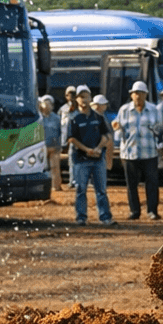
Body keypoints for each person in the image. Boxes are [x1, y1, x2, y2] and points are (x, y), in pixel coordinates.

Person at [115, 80, 163, 220]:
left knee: (152, 183)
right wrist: (119, 134)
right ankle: (134, 211)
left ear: (145, 95)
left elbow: (159, 130)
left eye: (141, 93)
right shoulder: (124, 110)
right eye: (135, 93)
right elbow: (118, 131)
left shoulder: (154, 110)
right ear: (131, 95)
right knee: (132, 185)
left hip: (149, 153)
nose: (138, 96)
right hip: (130, 153)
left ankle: (152, 211)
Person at [66, 89, 114, 225]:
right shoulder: (74, 119)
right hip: (81, 160)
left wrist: (98, 148)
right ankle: (81, 218)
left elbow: (107, 135)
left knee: (101, 190)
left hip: (98, 160)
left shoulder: (98, 117)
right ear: (77, 100)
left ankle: (105, 218)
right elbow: (71, 139)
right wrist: (87, 150)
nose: (84, 100)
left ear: (90, 99)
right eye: (81, 97)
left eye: (86, 97)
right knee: (81, 190)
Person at [39, 94, 63, 192]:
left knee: (55, 167)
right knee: (42, 168)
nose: (47, 106)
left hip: (54, 147)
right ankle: (42, 187)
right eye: (45, 103)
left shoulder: (57, 118)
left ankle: (56, 186)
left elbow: (61, 132)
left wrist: (61, 145)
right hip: (41, 148)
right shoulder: (39, 118)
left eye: (50, 104)